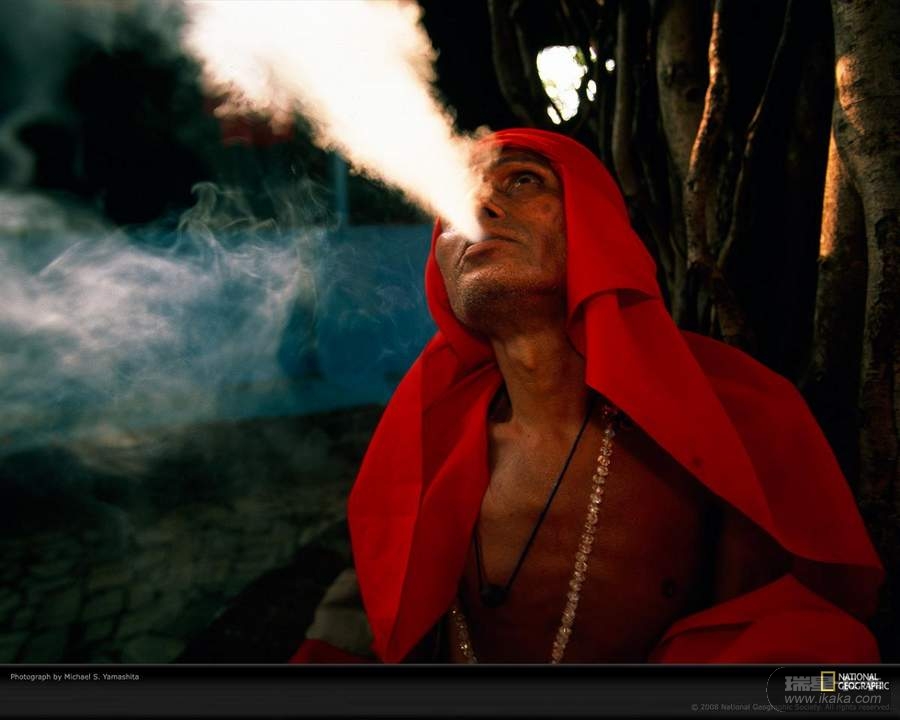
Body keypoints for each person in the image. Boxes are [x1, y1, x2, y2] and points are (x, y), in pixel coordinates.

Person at [290, 128, 883, 664]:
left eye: (523, 181)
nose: (478, 207)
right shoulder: (424, 434)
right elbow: (370, 611)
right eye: (454, 200)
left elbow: (773, 642)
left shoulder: (734, 417)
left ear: (595, 224)